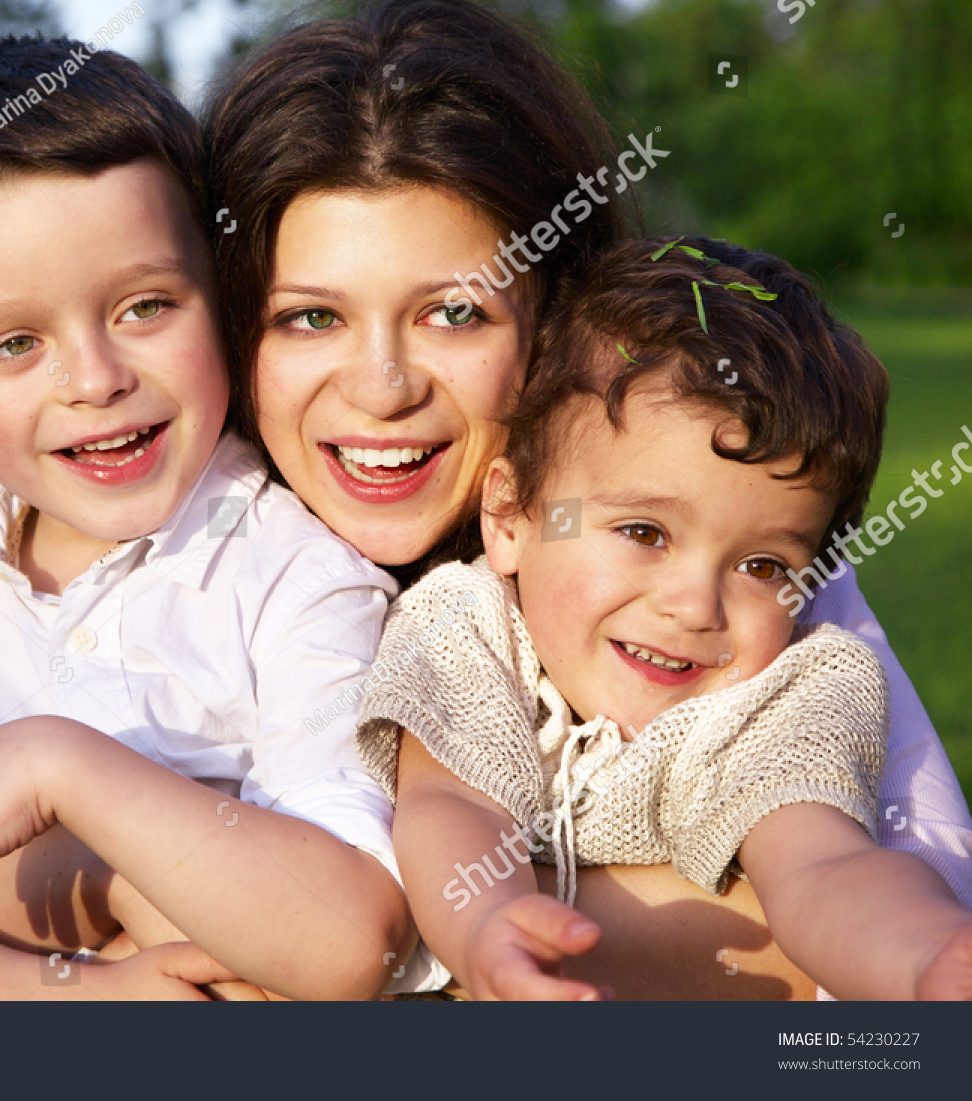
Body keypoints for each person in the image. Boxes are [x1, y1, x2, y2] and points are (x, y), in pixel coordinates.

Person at [204, 0, 972, 996]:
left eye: (453, 311)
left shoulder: (766, 597)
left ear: (557, 310)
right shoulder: (196, 566)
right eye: (309, 317)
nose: (383, 387)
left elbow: (893, 886)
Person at [0, 34, 419, 1000]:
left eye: (144, 306)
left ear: (221, 297)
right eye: (12, 343)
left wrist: (58, 766)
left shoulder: (301, 577)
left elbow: (348, 943)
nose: (95, 379)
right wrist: (79, 988)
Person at [356, 236, 972, 1000]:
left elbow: (823, 866)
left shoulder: (781, 695)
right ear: (511, 514)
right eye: (644, 533)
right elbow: (450, 804)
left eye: (763, 566)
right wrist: (487, 925)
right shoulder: (465, 630)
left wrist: (926, 952)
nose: (694, 605)